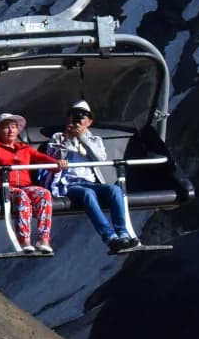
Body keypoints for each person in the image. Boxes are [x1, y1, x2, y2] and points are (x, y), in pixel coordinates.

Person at [44, 100, 139, 252]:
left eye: (82, 116)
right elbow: (51, 157)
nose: (78, 119)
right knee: (87, 194)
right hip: (69, 184)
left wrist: (83, 138)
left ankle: (122, 232)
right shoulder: (58, 137)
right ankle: (109, 236)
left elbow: (100, 158)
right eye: (74, 115)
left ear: (89, 121)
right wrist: (68, 139)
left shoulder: (95, 140)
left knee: (114, 190)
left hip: (91, 181)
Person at [0, 112, 67, 256]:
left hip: (25, 186)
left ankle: (43, 239)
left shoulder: (24, 148)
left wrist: (57, 163)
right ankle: (24, 241)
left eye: (13, 127)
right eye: (6, 127)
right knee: (21, 195)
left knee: (44, 194)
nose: (11, 130)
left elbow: (41, 158)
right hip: (3, 187)